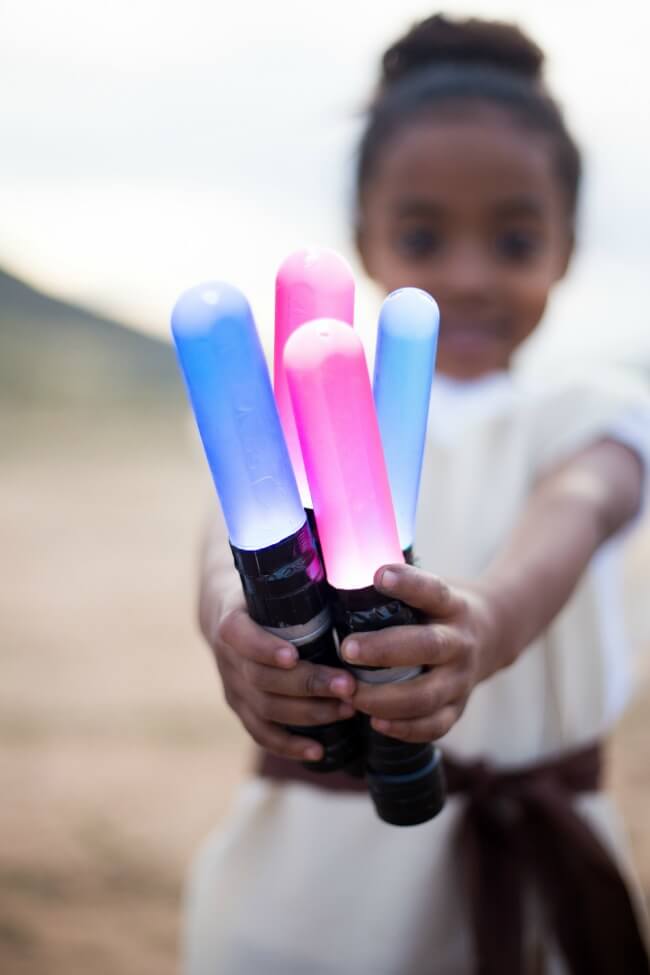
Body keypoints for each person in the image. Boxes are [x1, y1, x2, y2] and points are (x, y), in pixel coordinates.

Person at [183, 14, 650, 975]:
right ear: (364, 237)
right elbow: (223, 535)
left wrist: (488, 619)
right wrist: (233, 618)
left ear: (566, 246)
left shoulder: (592, 410)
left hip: (535, 875)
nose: (470, 275)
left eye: (515, 240)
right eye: (424, 234)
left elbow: (584, 506)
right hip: (316, 888)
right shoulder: (300, 410)